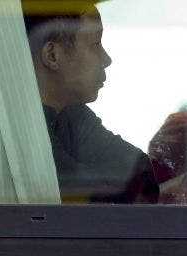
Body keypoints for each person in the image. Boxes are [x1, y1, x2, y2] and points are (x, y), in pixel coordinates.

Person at [22, 0, 159, 203]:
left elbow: (139, 171)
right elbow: (94, 194)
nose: (106, 59)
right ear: (52, 55)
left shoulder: (71, 113)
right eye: (96, 43)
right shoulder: (22, 129)